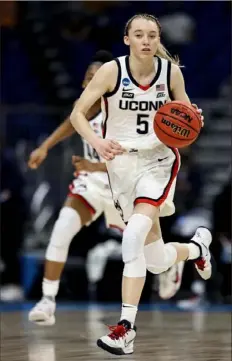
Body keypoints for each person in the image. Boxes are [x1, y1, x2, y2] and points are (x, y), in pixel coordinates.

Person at [70, 14, 213, 355]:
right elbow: (77, 113)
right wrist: (98, 141)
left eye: (151, 35)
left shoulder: (170, 74)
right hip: (120, 166)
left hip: (157, 162)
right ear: (127, 39)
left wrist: (194, 119)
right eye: (139, 35)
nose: (146, 40)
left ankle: (125, 329)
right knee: (155, 260)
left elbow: (184, 115)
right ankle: (196, 249)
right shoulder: (110, 72)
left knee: (132, 235)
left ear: (157, 39)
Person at [28, 50, 125, 326]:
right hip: (91, 187)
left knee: (150, 256)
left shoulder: (120, 112)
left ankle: (180, 257)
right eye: (90, 77)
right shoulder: (81, 107)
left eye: (100, 77)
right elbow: (70, 123)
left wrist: (92, 166)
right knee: (61, 230)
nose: (94, 81)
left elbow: (129, 163)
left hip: (122, 187)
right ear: (84, 84)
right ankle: (47, 301)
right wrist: (45, 147)